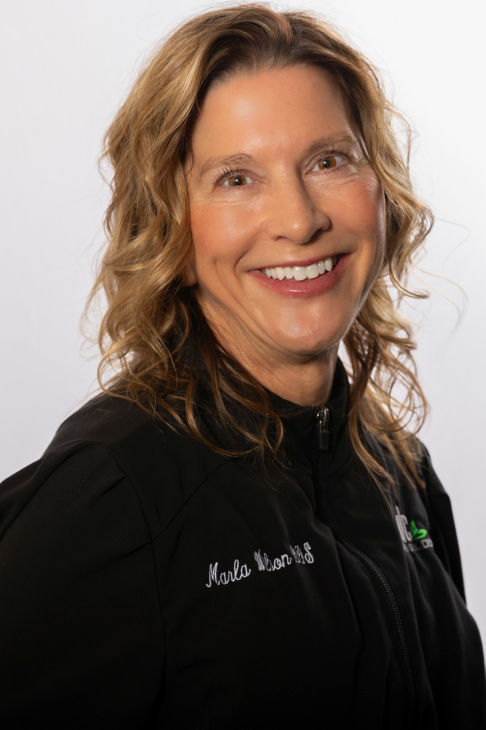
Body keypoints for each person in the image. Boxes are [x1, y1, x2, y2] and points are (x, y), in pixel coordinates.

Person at [0, 4, 485, 728]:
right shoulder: (113, 492)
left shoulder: (400, 470)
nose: (299, 219)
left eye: (329, 161)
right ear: (168, 221)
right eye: (236, 178)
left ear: (381, 184)